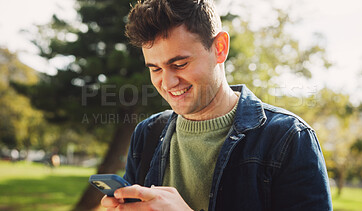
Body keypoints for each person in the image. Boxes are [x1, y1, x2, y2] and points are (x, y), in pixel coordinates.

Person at [101, 0, 332, 210]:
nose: (168, 82)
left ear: (219, 48)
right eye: (155, 69)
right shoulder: (146, 133)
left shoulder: (289, 138)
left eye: (180, 64)